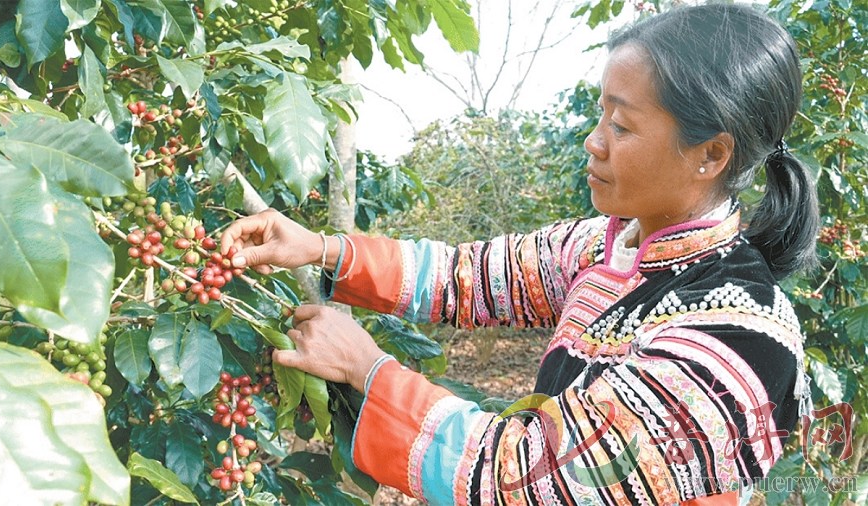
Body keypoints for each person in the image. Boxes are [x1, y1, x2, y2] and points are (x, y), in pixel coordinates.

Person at [221, 4, 819, 504]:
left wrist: (367, 369)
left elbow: (532, 478)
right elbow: (469, 276)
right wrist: (318, 249)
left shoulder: (739, 337)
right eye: (601, 114)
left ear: (710, 155)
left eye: (624, 126)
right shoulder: (605, 245)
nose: (595, 141)